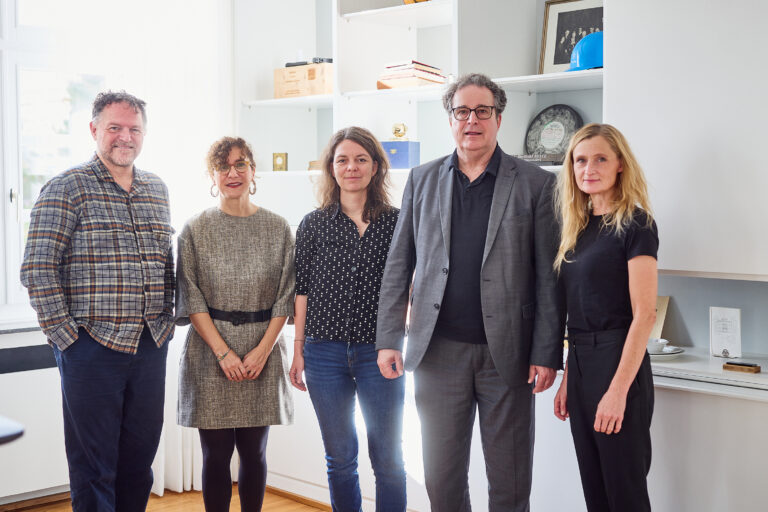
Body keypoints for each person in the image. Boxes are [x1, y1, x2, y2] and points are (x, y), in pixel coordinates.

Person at [376, 73, 566, 511]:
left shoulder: (536, 184)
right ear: (450, 119)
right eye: (462, 111)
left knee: (510, 481)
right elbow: (399, 264)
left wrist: (546, 352)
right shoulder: (422, 179)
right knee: (441, 480)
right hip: (437, 353)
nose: (472, 120)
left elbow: (548, 278)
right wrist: (388, 338)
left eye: (483, 111)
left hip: (509, 356)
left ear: (499, 118)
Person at [21, 91, 174, 511]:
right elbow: (37, 268)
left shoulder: (156, 189)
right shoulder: (66, 188)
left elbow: (166, 264)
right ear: (94, 130)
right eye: (114, 128)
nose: (125, 137)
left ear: (144, 133)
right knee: (94, 466)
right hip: (91, 347)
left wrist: (166, 322)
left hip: (150, 345)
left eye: (134, 129)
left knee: (139, 463)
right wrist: (68, 340)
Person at [289, 127, 406, 511]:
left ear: (375, 167)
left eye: (360, 159)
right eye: (342, 160)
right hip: (324, 353)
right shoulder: (313, 224)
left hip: (380, 353)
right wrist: (298, 350)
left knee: (389, 459)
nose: (351, 167)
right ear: (331, 168)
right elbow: (302, 291)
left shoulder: (397, 222)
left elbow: (409, 286)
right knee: (340, 458)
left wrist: (401, 338)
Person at [175, 136, 295, 512]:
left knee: (255, 453)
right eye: (223, 166)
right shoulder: (195, 229)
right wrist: (224, 353)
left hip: (263, 352)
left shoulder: (278, 228)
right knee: (215, 456)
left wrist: (262, 351)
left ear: (253, 171)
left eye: (240, 164)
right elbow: (191, 297)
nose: (232, 173)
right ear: (212, 175)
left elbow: (286, 296)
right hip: (210, 353)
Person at [552, 123, 657, 512]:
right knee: (595, 494)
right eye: (580, 160)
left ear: (620, 165)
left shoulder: (637, 225)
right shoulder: (576, 229)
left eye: (600, 159)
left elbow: (645, 314)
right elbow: (580, 310)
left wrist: (617, 391)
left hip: (618, 362)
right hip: (581, 363)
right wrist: (569, 378)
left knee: (624, 495)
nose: (588, 169)